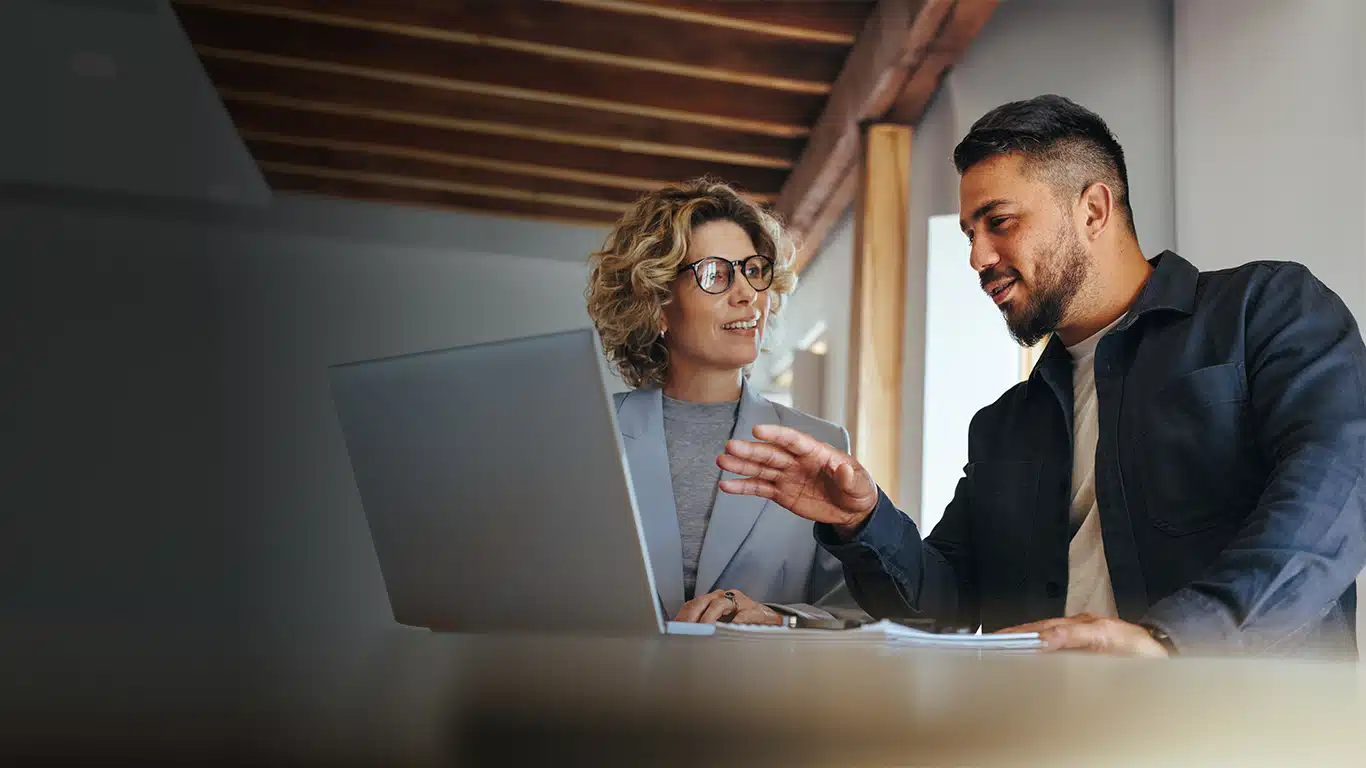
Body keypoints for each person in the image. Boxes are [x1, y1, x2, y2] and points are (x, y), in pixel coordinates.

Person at [718, 95, 1366, 657]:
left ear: (1093, 210)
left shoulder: (1266, 309)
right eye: (971, 232)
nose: (977, 256)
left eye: (999, 223)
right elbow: (943, 604)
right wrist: (863, 522)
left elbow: (1337, 487)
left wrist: (1176, 639)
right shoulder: (1004, 426)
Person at [586, 178, 864, 625]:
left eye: (753, 271)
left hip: (757, 693)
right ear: (657, 304)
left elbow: (858, 611)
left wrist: (779, 619)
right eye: (716, 274)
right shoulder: (589, 436)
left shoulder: (820, 443)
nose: (747, 295)